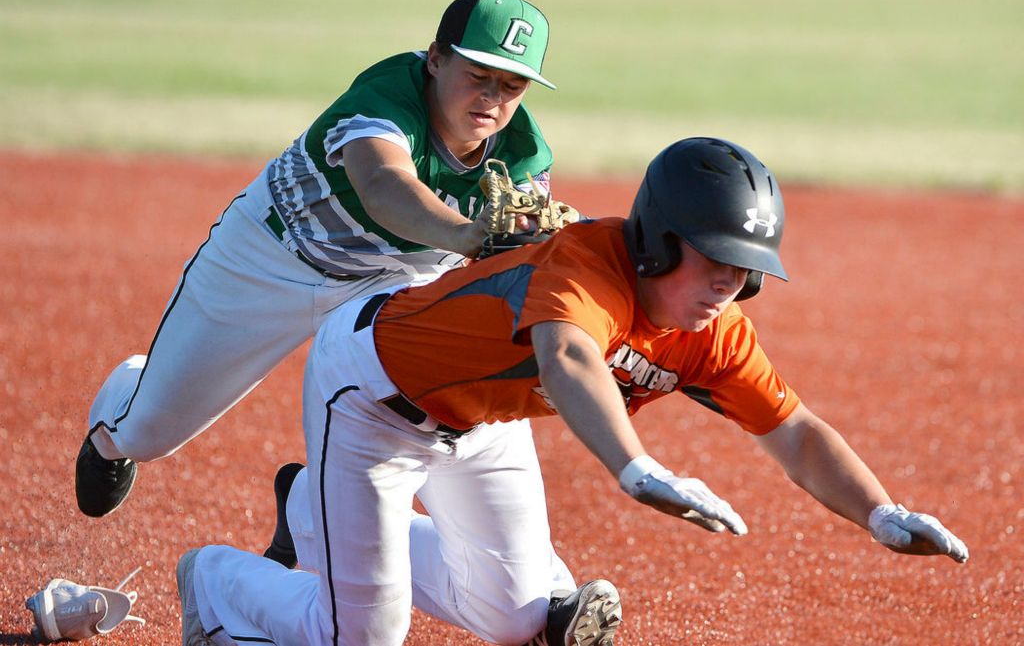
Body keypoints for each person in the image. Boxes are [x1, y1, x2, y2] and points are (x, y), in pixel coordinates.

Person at [175, 137, 968, 646]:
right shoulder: (588, 267)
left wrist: (880, 511)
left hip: (485, 421)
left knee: (518, 618)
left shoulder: (712, 327)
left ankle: (310, 518)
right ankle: (213, 582)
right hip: (376, 395)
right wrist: (635, 466)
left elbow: (794, 431)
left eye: (745, 268)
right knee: (364, 637)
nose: (731, 283)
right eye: (714, 259)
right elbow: (568, 362)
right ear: (659, 243)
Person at [75, 0, 563, 518]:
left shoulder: (524, 154)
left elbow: (524, 248)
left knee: (425, 411)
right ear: (436, 58)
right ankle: (119, 419)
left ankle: (308, 511)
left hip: (394, 282)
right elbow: (383, 186)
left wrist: (540, 243)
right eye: (478, 74)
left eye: (512, 85)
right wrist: (473, 237)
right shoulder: (386, 96)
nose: (492, 97)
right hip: (270, 258)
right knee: (150, 432)